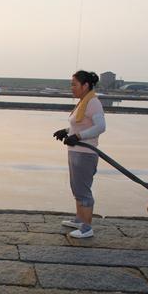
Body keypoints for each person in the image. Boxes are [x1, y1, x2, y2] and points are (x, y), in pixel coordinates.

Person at [53, 70, 106, 238]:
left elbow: (100, 127)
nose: (72, 88)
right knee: (76, 186)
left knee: (83, 189)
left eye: (74, 84)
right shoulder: (84, 101)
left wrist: (78, 136)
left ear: (85, 85)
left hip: (85, 152)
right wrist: (67, 131)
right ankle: (79, 219)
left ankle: (86, 227)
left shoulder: (93, 102)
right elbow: (80, 125)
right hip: (76, 151)